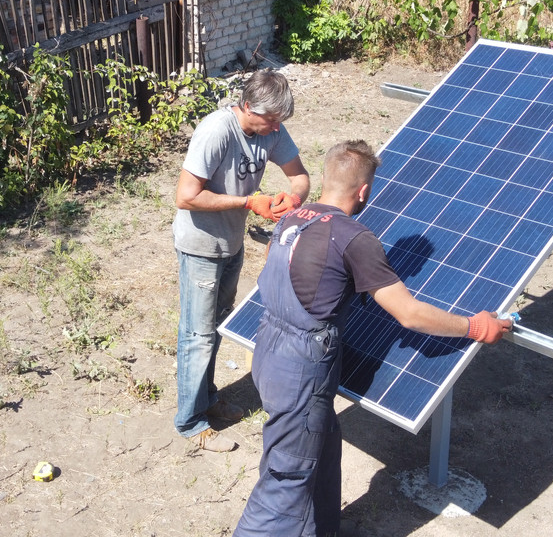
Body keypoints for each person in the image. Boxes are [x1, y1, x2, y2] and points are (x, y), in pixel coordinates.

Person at [233, 140, 513, 537]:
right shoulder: (354, 237)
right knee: (287, 477)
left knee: (323, 447)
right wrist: (475, 327)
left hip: (269, 350)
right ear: (363, 190)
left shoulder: (291, 220)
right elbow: (409, 314)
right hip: (301, 368)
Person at [174, 70, 311, 452]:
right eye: (269, 121)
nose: (274, 130)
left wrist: (293, 197)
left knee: (216, 327)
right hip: (201, 246)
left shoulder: (272, 129)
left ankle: (207, 399)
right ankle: (190, 422)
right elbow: (185, 196)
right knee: (197, 335)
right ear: (247, 106)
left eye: (279, 123)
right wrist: (248, 202)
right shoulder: (216, 131)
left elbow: (299, 175)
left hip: (231, 244)